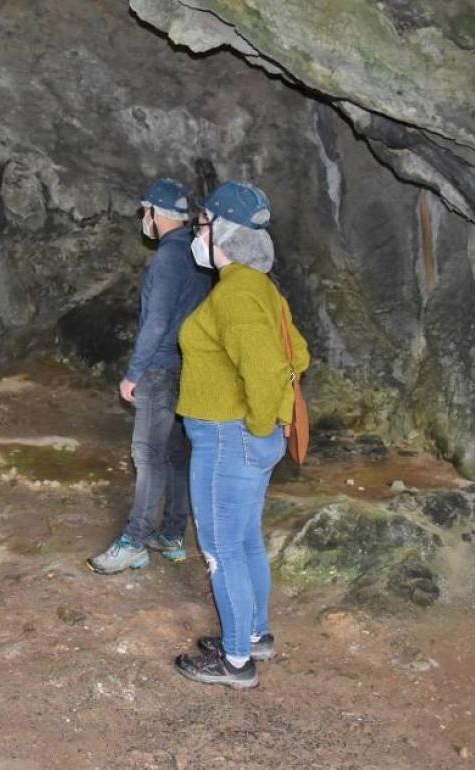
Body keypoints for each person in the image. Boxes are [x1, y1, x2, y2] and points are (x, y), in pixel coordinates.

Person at [172, 181, 309, 689]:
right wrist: (268, 422)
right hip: (246, 436)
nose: (197, 232)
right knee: (246, 539)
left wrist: (254, 424)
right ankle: (253, 635)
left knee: (219, 546)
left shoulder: (234, 294)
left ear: (223, 233)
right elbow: (299, 354)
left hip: (228, 437)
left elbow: (268, 367)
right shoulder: (260, 289)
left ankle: (234, 662)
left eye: (202, 224)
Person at [88, 179, 212, 575]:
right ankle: (172, 535)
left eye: (146, 212)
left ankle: (134, 541)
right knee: (176, 455)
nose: (146, 219)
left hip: (159, 369)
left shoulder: (166, 260)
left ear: (157, 214)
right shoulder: (198, 254)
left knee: (147, 455)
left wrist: (133, 373)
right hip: (187, 366)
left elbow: (156, 321)